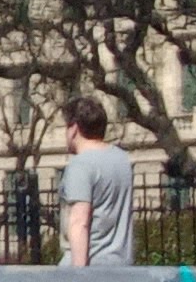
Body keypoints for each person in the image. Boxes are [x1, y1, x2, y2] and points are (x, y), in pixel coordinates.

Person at [57, 96, 136, 267]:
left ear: (74, 129)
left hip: (91, 267)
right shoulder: (123, 160)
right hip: (122, 267)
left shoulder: (80, 165)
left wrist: (79, 275)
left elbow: (79, 222)